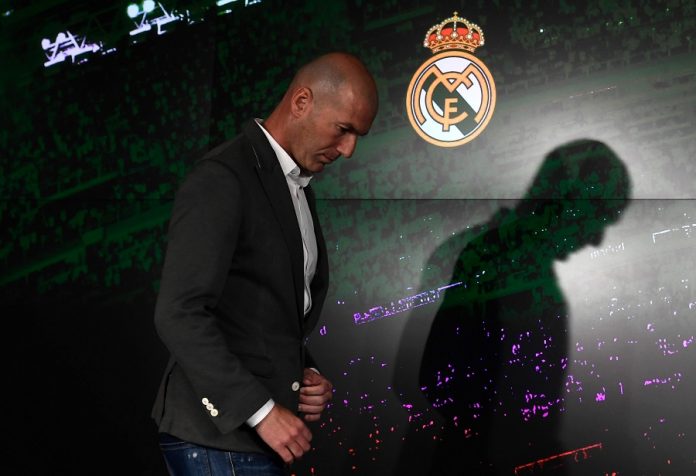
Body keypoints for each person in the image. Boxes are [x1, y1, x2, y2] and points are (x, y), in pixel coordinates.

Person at [151, 52, 378, 475]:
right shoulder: (223, 176)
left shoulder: (296, 186)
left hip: (244, 443)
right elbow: (178, 313)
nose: (348, 150)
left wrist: (303, 373)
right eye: (343, 129)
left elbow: (259, 313)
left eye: (357, 136)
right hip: (217, 438)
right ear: (301, 102)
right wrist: (260, 411)